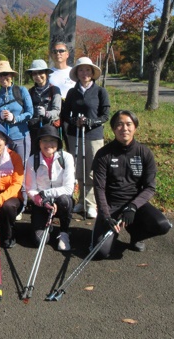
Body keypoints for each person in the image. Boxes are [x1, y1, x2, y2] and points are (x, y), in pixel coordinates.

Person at [91, 110, 172, 258]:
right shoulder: (103, 154)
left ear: (135, 127)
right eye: (119, 125)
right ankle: (105, 230)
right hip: (111, 205)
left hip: (135, 204)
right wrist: (106, 215)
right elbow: (99, 188)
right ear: (114, 128)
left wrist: (133, 206)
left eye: (129, 124)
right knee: (100, 252)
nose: (124, 129)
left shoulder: (144, 153)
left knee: (162, 225)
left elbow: (149, 187)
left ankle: (136, 235)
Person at [61, 57, 110, 219]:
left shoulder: (100, 91)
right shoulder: (72, 92)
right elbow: (65, 115)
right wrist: (75, 121)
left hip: (93, 135)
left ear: (92, 72)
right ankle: (81, 200)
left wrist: (91, 122)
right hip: (75, 135)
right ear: (77, 73)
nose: (84, 73)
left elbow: (105, 115)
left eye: (87, 70)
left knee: (92, 170)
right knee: (78, 169)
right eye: (81, 70)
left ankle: (92, 203)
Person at [25, 125, 75, 251]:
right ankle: (48, 225)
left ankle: (64, 232)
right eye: (44, 140)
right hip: (41, 203)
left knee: (65, 200)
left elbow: (69, 188)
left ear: (58, 143)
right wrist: (43, 201)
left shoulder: (66, 158)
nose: (49, 144)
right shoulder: (32, 160)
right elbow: (30, 189)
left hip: (60, 199)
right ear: (39, 143)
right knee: (39, 241)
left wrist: (45, 193)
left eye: (52, 140)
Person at [0, 61, 34, 167]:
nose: (2, 78)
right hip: (2, 140)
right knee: (4, 169)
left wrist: (15, 118)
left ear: (11, 75)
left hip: (21, 137)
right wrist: (0, 118)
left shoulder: (21, 91)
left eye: (5, 74)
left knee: (22, 168)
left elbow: (30, 113)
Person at [25, 59, 62, 147]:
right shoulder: (30, 92)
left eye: (40, 72)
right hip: (34, 129)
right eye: (34, 73)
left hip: (50, 128)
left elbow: (57, 110)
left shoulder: (54, 90)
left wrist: (46, 113)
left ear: (46, 74)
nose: (37, 76)